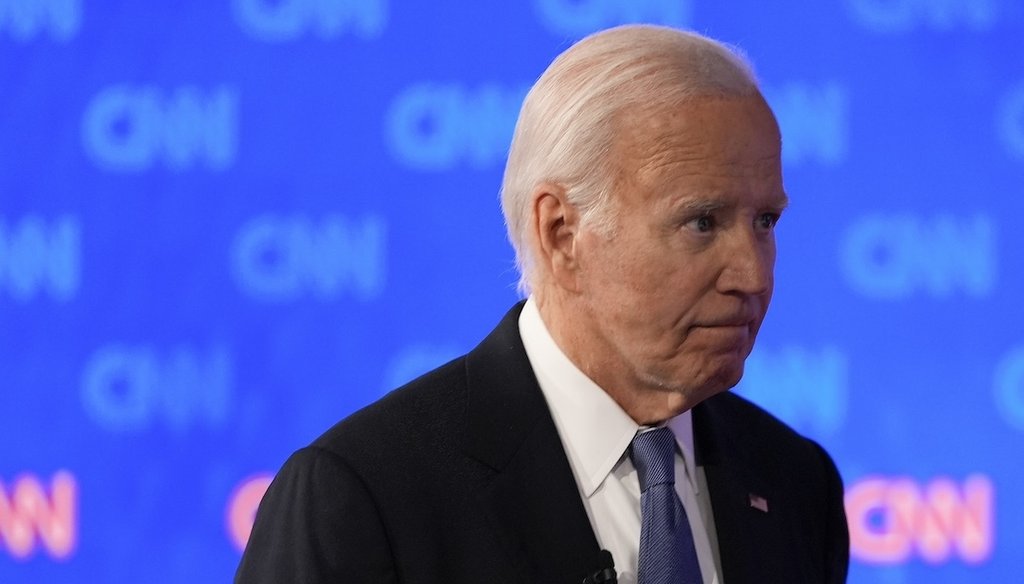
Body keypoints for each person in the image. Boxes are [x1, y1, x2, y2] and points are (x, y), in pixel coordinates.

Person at [236, 24, 849, 584]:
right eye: (702, 222)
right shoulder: (364, 496)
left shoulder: (795, 482)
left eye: (765, 221)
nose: (752, 273)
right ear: (561, 233)